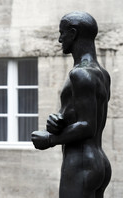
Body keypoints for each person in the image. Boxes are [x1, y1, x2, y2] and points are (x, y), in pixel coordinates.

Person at [31, 11, 111, 198]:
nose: (60, 40)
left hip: (80, 163)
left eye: (62, 33)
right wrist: (59, 119)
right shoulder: (101, 73)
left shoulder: (80, 74)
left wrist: (49, 140)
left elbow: (87, 126)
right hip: (99, 161)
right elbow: (85, 114)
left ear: (73, 33)